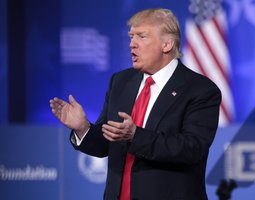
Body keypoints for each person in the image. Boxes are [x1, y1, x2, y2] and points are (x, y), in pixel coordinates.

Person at [50, 8, 221, 200]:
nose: (132, 44)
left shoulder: (200, 89)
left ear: (167, 44)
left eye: (142, 36)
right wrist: (83, 129)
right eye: (131, 36)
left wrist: (135, 136)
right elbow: (105, 144)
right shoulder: (120, 81)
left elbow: (192, 149)